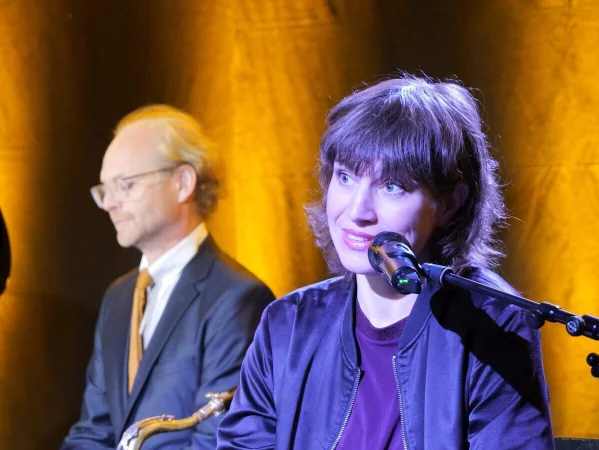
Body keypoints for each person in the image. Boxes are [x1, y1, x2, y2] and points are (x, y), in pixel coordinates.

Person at [217, 75, 554, 449]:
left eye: (392, 186)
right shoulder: (288, 326)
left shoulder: (494, 324)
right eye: (345, 177)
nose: (357, 211)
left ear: (449, 203)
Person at [62, 105, 274, 449]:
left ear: (183, 183)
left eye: (125, 185)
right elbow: (94, 430)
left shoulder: (237, 298)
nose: (109, 203)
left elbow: (218, 442)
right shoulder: (118, 296)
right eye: (105, 189)